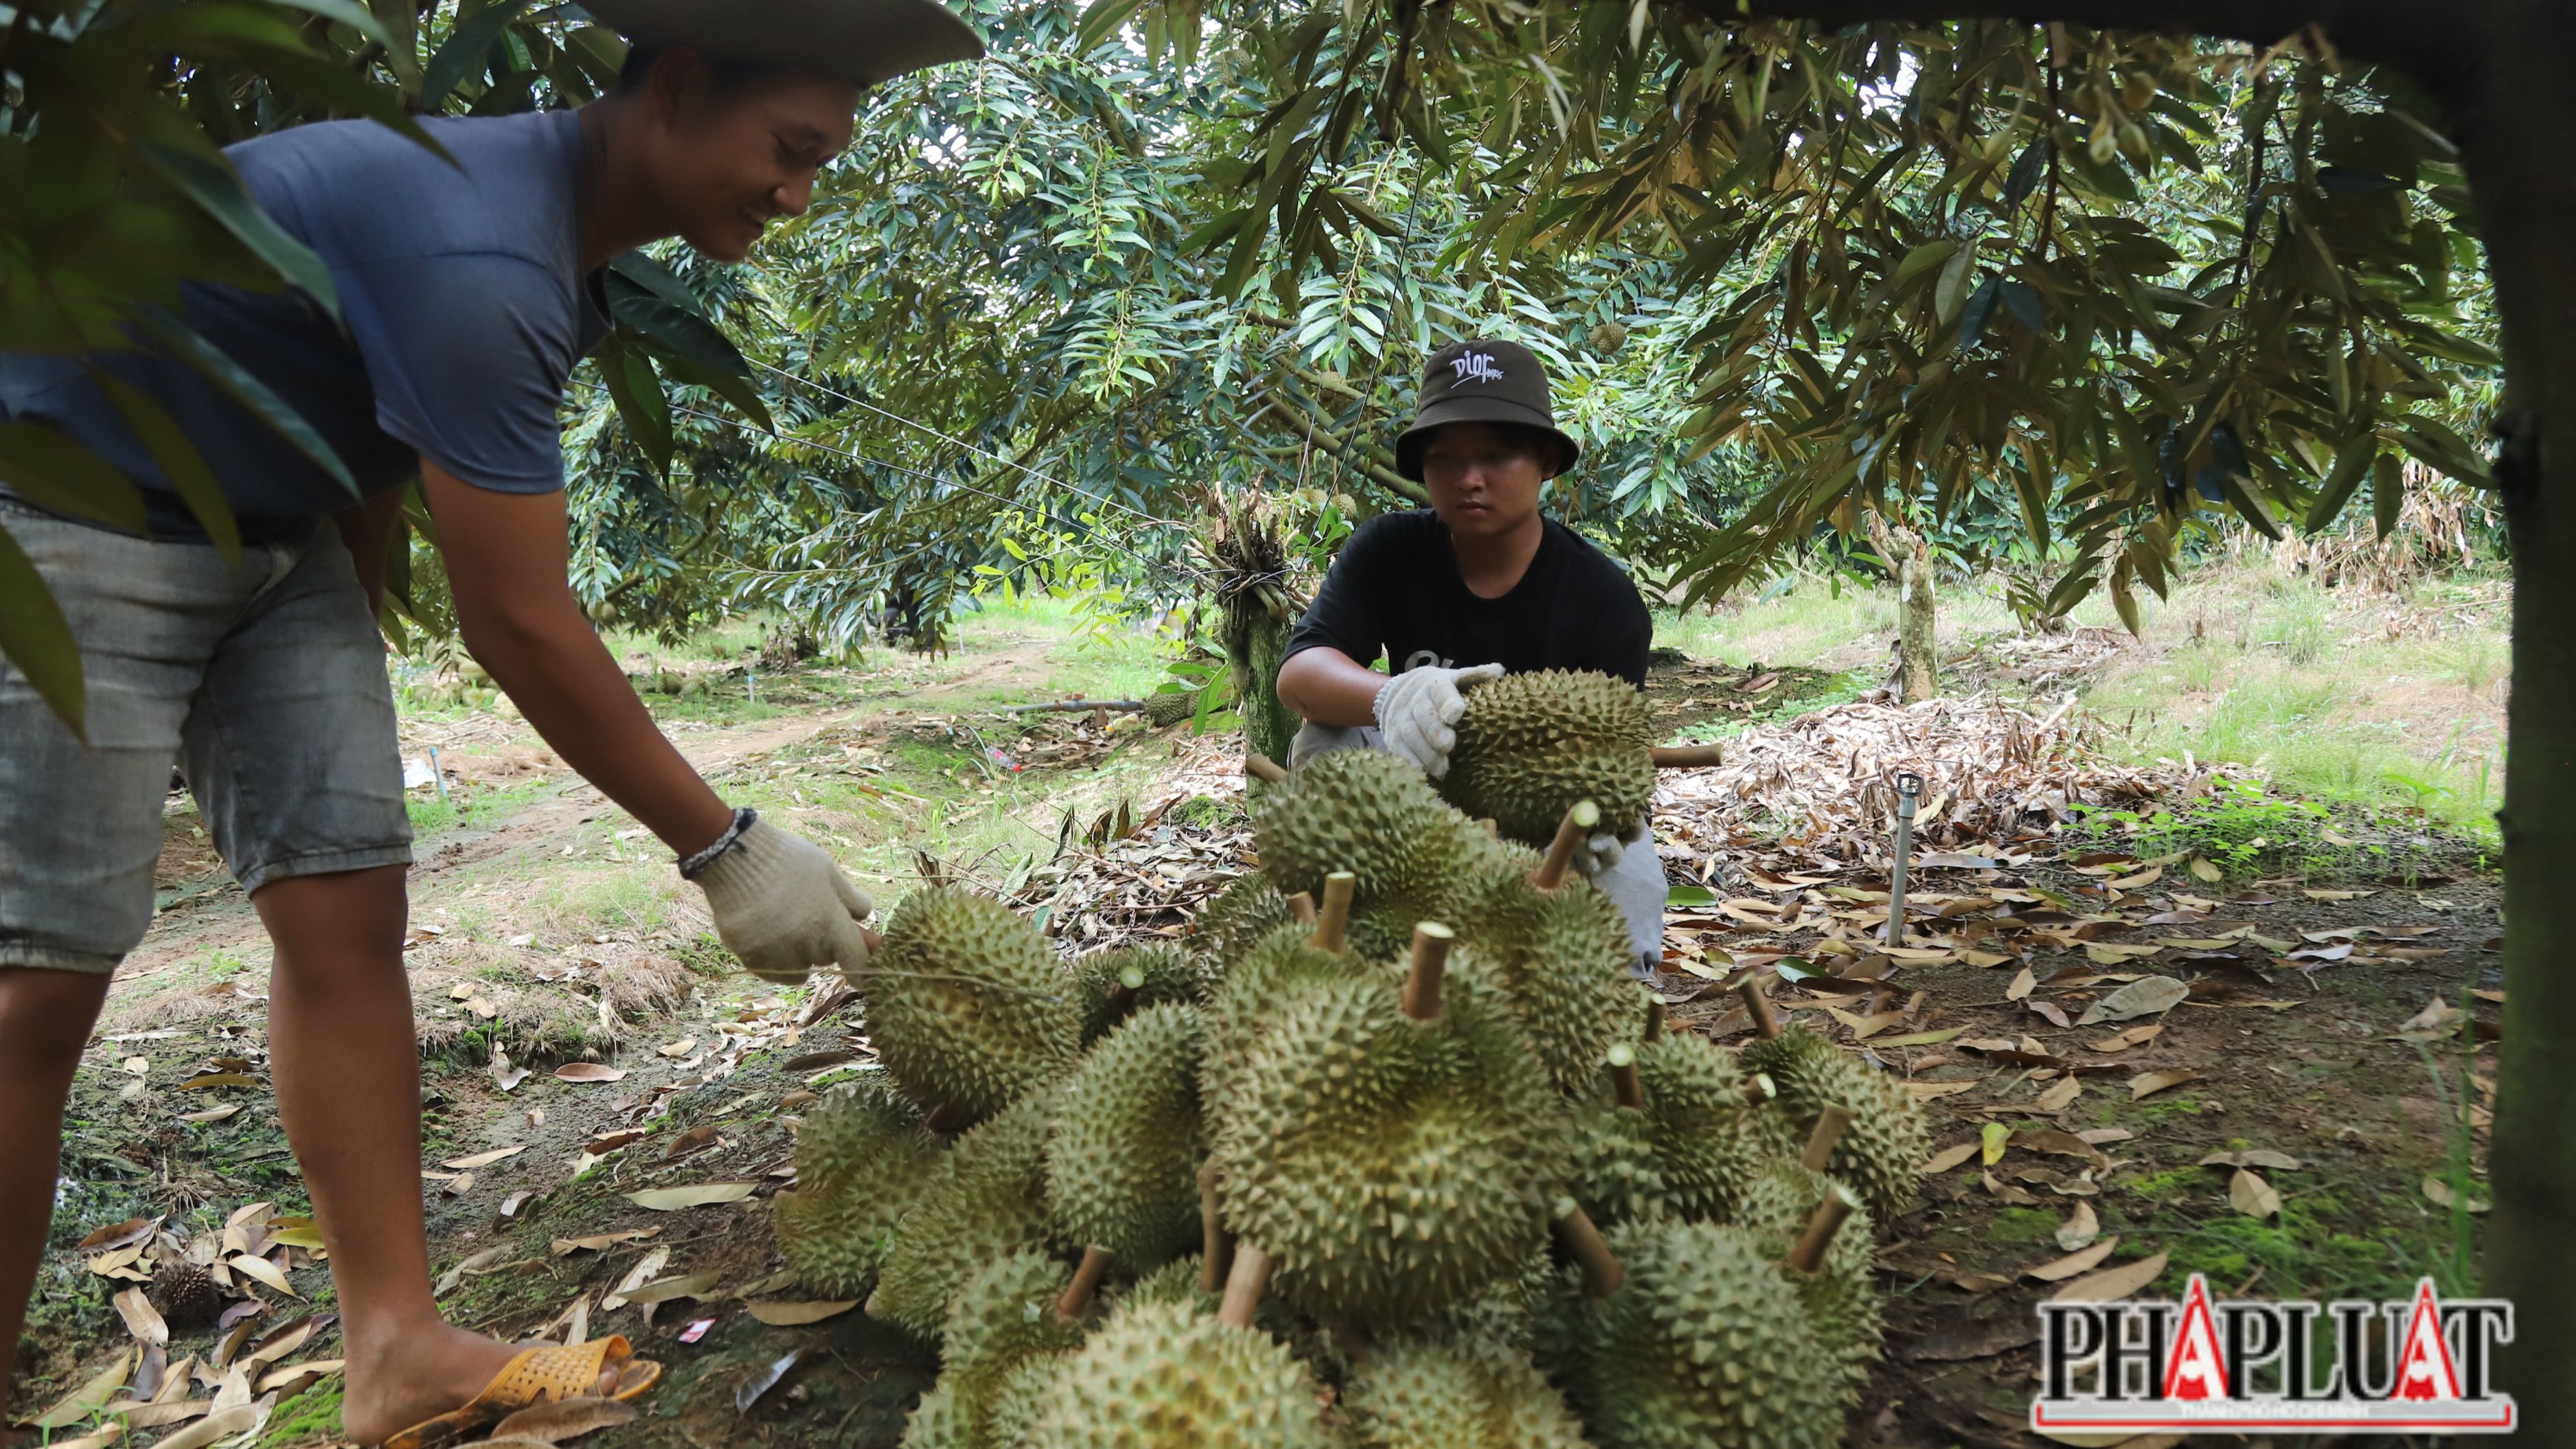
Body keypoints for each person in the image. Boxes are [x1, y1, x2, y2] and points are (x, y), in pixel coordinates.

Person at [0, 2, 979, 1441]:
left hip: (281, 531)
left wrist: (336, 610)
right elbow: (518, 620)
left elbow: (363, 411)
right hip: (69, 499)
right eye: (788, 149)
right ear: (678, 88)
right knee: (37, 991)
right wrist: (727, 847)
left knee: (347, 912)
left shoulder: (548, 243)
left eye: (819, 163)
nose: (796, 194)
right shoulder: (488, 252)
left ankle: (397, 1349)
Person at [1274, 338, 1667, 975]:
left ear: (1545, 462)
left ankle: (1607, 991)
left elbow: (1616, 760)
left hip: (1540, 814)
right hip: (1410, 794)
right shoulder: (1388, 550)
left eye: (1496, 455)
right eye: (1445, 458)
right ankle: (1348, 941)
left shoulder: (1603, 599)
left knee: (1632, 877)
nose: (1468, 479)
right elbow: (1298, 676)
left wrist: (1592, 819)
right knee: (1326, 735)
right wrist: (1392, 695)